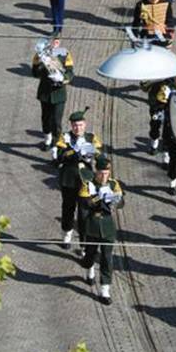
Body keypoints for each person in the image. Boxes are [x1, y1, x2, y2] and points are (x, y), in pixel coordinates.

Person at [78, 154, 124, 305]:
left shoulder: (113, 184)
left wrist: (115, 200)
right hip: (92, 225)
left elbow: (121, 202)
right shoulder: (88, 184)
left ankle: (105, 289)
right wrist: (99, 196)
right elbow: (86, 203)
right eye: (101, 173)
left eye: (106, 173)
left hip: (108, 226)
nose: (104, 176)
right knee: (90, 254)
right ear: (96, 172)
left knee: (107, 258)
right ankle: (89, 269)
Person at [54, 109, 101, 248]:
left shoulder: (91, 138)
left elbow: (100, 155)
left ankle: (83, 243)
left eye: (80, 125)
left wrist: (92, 153)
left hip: (85, 181)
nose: (78, 128)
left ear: (85, 125)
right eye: (75, 125)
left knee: (84, 213)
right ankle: (66, 233)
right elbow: (60, 157)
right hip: (68, 180)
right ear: (71, 125)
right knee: (68, 208)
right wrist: (75, 152)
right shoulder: (65, 138)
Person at [32, 35, 74, 148]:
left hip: (59, 93)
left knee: (56, 120)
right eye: (53, 41)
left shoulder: (65, 54)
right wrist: (39, 62)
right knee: (45, 118)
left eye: (57, 41)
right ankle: (47, 139)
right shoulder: (41, 54)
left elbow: (70, 72)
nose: (55, 43)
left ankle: (56, 142)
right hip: (45, 92)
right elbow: (35, 73)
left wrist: (63, 78)